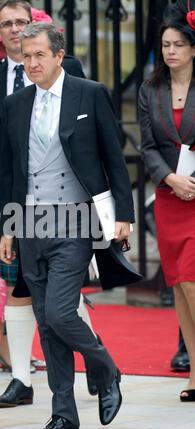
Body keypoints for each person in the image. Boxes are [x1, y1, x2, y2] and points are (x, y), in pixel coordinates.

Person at [0, 23, 139, 429]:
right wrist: (9, 227)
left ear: (59, 55)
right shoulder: (15, 103)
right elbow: (9, 171)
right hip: (29, 223)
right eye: (26, 56)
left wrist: (124, 214)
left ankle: (105, 366)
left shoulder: (89, 93)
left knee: (61, 312)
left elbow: (115, 156)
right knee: (46, 323)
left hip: (76, 219)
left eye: (40, 54)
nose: (32, 63)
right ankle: (65, 414)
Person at [0, 0, 99, 407]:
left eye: (22, 21)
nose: (14, 28)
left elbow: (87, 138)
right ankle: (21, 378)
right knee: (18, 287)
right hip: (12, 203)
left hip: (62, 201)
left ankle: (94, 359)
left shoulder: (67, 69)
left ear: (35, 24)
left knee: (64, 289)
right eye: (6, 24)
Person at [139, 0, 195, 402]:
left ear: (193, 48)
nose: (171, 51)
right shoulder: (150, 89)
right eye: (165, 45)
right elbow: (147, 146)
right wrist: (170, 177)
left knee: (192, 282)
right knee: (177, 285)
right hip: (168, 196)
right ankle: (194, 372)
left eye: (178, 44)